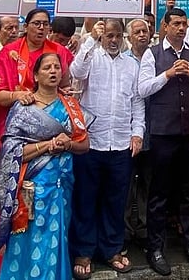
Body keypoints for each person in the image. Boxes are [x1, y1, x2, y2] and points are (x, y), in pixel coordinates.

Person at [0, 8, 74, 277]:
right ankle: (5, 268)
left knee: (55, 213)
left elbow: (68, 84)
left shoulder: (59, 52)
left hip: (56, 150)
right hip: (18, 137)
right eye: (36, 23)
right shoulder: (9, 52)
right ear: (27, 26)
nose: (41, 28)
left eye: (45, 24)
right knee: (12, 204)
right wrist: (18, 96)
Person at [0, 53, 91, 280]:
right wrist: (47, 145)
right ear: (36, 75)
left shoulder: (70, 106)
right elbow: (10, 152)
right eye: (47, 68)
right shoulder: (23, 108)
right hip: (30, 186)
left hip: (60, 186)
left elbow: (84, 145)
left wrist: (68, 144)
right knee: (25, 239)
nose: (53, 71)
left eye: (57, 67)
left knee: (55, 237)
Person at [138, 8, 189, 276]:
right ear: (165, 26)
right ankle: (155, 247)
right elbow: (142, 88)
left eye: (184, 24)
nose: (181, 28)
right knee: (159, 191)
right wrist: (168, 74)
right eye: (176, 24)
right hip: (163, 132)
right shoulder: (153, 53)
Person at [68, 19, 144, 278]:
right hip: (91, 142)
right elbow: (76, 72)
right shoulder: (91, 58)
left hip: (121, 143)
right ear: (102, 36)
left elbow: (137, 102)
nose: (113, 40)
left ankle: (112, 249)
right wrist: (91, 37)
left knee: (116, 200)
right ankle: (84, 251)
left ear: (123, 37)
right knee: (86, 199)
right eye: (109, 35)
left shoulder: (131, 65)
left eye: (117, 36)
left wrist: (137, 133)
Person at [123, 18, 153, 248]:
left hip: (154, 130)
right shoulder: (123, 60)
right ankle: (123, 230)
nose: (142, 35)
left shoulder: (157, 58)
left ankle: (144, 230)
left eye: (145, 31)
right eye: (137, 32)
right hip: (126, 131)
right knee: (125, 184)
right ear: (129, 37)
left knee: (148, 183)